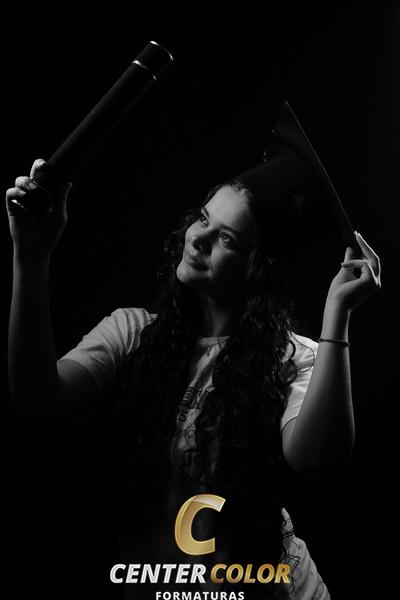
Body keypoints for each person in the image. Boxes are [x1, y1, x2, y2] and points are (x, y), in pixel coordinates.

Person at [7, 103, 381, 599]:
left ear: (258, 269)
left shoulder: (295, 358)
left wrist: (338, 316)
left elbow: (314, 458)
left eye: (225, 237)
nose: (197, 238)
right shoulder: (131, 332)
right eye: (203, 218)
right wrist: (31, 256)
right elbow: (38, 401)